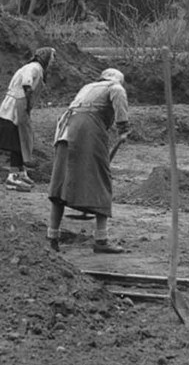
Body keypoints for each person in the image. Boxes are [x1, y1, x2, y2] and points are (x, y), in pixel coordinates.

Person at [47, 68, 130, 254]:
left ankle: (52, 237)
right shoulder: (115, 87)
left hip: (65, 131)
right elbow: (119, 103)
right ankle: (101, 239)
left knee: (61, 183)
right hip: (87, 132)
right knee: (101, 179)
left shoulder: (88, 87)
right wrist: (123, 129)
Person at [0, 46, 55, 190]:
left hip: (19, 105)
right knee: (17, 140)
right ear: (45, 58)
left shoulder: (37, 68)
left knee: (22, 139)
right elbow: (27, 82)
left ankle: (20, 172)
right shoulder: (34, 67)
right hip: (15, 107)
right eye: (51, 58)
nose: (53, 62)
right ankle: (13, 176)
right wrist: (28, 94)